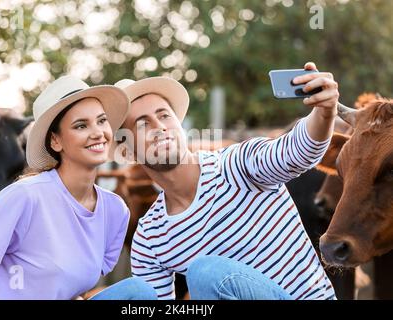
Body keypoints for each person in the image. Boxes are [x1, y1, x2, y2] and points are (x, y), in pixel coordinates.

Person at [115, 62, 339, 300]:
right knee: (125, 295)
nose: (159, 127)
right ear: (128, 152)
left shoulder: (236, 164)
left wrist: (325, 112)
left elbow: (297, 150)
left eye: (164, 116)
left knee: (206, 273)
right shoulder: (150, 236)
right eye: (142, 124)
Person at [0, 76, 157, 300]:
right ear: (56, 141)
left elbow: (72, 288)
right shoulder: (24, 197)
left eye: (102, 121)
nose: (97, 132)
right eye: (81, 125)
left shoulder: (115, 211)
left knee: (139, 293)